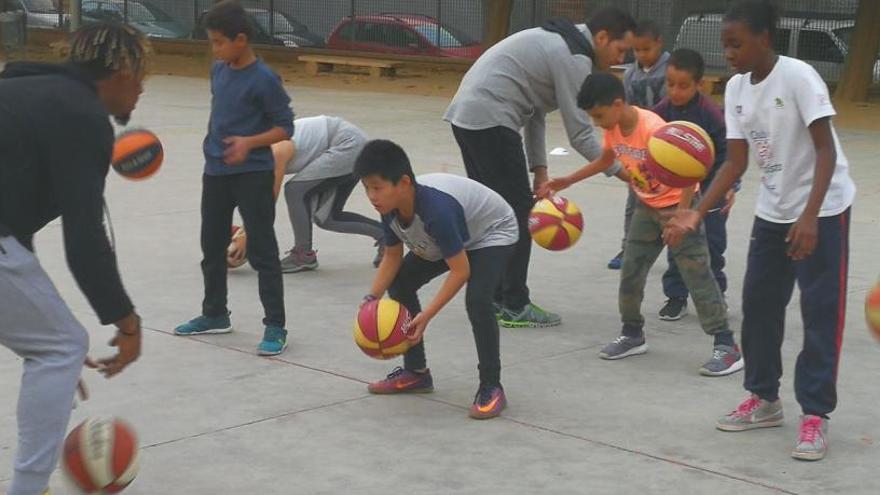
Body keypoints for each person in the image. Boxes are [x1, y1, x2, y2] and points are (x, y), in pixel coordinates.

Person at [665, 0, 855, 461]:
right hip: (773, 211)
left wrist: (810, 216)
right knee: (759, 307)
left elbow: (825, 151)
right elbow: (735, 160)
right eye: (725, 44)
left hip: (824, 209)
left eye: (736, 43)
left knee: (819, 312)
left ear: (764, 38)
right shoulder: (734, 89)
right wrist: (697, 211)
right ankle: (765, 400)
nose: (728, 52)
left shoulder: (799, 77)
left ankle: (815, 415)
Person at [0, 22, 147, 495]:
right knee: (60, 348)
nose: (142, 88)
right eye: (143, 75)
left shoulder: (22, 89)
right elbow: (84, 241)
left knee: (54, 346)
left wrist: (46, 323)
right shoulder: (82, 115)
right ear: (122, 69)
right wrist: (127, 323)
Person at [444, 7, 636, 328]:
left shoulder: (562, 39)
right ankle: (515, 304)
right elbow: (581, 134)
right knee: (517, 214)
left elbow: (535, 111)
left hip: (468, 116)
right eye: (620, 49)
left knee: (495, 212)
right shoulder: (574, 57)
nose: (621, 57)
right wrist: (624, 172)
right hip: (491, 118)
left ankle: (491, 297)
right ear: (602, 38)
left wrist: (541, 170)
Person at [539, 73, 742, 376]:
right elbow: (607, 160)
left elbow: (691, 173)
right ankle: (632, 333)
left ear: (618, 103)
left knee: (697, 275)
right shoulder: (615, 127)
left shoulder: (655, 129)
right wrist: (568, 180)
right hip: (646, 207)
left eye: (599, 115)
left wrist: (682, 217)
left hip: (677, 208)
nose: (597, 123)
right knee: (631, 271)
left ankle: (726, 345)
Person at [356, 140, 518, 420]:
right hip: (451, 233)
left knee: (478, 301)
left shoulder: (437, 211)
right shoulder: (389, 207)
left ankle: (491, 386)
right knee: (401, 283)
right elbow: (392, 258)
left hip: (493, 231)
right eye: (367, 188)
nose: (371, 196)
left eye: (377, 187)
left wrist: (427, 315)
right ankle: (416, 372)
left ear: (404, 182)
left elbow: (460, 271)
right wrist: (370, 299)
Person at [173, 0, 294, 357]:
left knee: (262, 251)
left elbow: (285, 128)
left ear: (240, 39)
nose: (215, 49)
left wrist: (249, 142)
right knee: (211, 246)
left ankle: (275, 325)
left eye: (219, 42)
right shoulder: (218, 69)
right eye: (212, 42)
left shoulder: (265, 79)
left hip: (252, 174)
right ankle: (214, 314)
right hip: (215, 172)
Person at [653, 48, 737, 321]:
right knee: (677, 242)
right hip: (676, 193)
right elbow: (651, 144)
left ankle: (715, 295)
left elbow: (728, 154)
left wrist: (729, 186)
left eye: (683, 86)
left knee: (712, 246)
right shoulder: (662, 112)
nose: (675, 91)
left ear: (699, 84)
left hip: (710, 191)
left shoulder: (712, 115)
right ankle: (676, 296)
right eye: (670, 84)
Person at [271, 115, 384, 272]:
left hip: (348, 144)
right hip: (346, 146)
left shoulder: (273, 150)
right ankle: (386, 236)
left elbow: (269, 198)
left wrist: (248, 234)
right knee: (328, 218)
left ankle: (302, 254)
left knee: (294, 191)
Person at [609, 19, 671, 270]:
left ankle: (675, 247)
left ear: (659, 43)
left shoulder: (671, 70)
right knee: (634, 199)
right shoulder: (630, 73)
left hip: (666, 147)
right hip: (638, 149)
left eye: (646, 49)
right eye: (636, 50)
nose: (641, 55)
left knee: (669, 201)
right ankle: (629, 248)